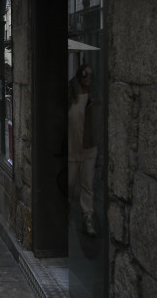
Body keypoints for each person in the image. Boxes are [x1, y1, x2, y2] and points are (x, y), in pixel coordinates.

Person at [68, 64, 98, 237]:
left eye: (90, 76)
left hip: (88, 150)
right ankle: (68, 215)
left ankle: (88, 218)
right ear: (79, 76)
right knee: (70, 185)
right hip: (72, 149)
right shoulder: (71, 97)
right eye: (85, 74)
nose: (87, 78)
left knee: (87, 186)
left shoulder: (94, 98)